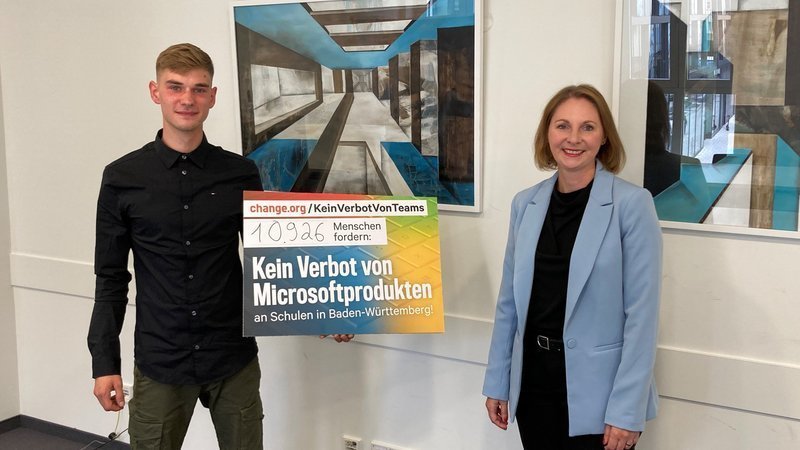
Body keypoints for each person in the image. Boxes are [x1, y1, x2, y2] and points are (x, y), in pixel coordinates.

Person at [87, 43, 352, 449]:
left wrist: (326, 312)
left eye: (199, 89)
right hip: (161, 359)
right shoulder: (122, 178)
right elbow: (110, 279)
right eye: (175, 87)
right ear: (156, 92)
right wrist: (104, 362)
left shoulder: (240, 173)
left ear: (212, 96)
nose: (187, 99)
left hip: (232, 357)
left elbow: (272, 260)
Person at [483, 85, 662, 450]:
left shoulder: (632, 205)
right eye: (563, 125)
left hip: (601, 397)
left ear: (604, 137)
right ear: (548, 133)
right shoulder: (525, 204)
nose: (574, 138)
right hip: (533, 388)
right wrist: (498, 382)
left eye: (587, 127)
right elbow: (508, 304)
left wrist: (627, 410)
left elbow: (642, 317)